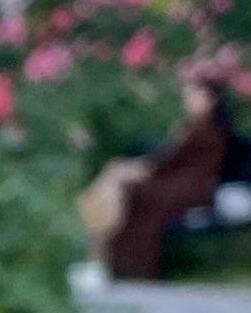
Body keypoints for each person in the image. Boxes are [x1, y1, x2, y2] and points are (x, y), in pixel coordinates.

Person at [78, 73, 234, 283]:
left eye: (193, 95)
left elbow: (169, 163)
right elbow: (166, 161)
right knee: (115, 177)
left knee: (120, 182)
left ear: (211, 99)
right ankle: (98, 246)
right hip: (172, 182)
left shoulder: (210, 131)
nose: (188, 100)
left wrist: (172, 143)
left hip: (187, 189)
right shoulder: (193, 127)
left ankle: (98, 250)